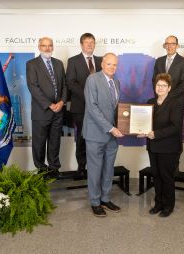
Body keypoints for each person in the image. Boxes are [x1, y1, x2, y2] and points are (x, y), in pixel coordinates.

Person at [83, 53, 124, 217]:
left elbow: (116, 109)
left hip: (112, 135)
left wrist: (121, 126)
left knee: (108, 169)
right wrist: (111, 128)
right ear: (102, 64)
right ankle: (95, 201)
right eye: (109, 64)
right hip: (95, 133)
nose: (112, 67)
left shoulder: (116, 82)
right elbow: (92, 108)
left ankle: (105, 198)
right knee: (95, 169)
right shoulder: (92, 80)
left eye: (115, 65)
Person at [138, 73, 183, 217]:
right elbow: (145, 123)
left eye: (164, 86)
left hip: (169, 147)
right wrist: (141, 131)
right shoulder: (150, 101)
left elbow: (175, 127)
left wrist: (155, 134)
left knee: (166, 176)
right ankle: (158, 204)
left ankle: (168, 206)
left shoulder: (175, 103)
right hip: (153, 146)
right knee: (156, 175)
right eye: (158, 85)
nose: (160, 88)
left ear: (169, 88)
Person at [26, 37, 67, 178]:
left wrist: (61, 102)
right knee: (39, 143)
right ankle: (41, 170)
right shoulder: (32, 64)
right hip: (41, 111)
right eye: (44, 46)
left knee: (55, 142)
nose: (47, 48)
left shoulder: (59, 63)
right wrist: (50, 105)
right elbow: (33, 87)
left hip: (58, 111)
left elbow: (64, 85)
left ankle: (54, 169)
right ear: (39, 47)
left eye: (50, 45)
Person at [66, 33, 102, 177]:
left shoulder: (101, 61)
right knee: (82, 137)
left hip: (99, 109)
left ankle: (95, 167)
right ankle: (81, 167)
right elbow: (71, 82)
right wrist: (88, 96)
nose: (89, 45)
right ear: (81, 44)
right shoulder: (73, 61)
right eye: (87, 42)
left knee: (97, 138)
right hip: (81, 107)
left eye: (92, 42)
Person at [152, 35, 184, 106]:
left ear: (177, 46)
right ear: (165, 46)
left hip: (176, 101)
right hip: (160, 100)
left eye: (172, 44)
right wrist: (160, 95)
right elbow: (154, 80)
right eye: (167, 44)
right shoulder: (159, 61)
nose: (170, 46)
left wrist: (167, 96)